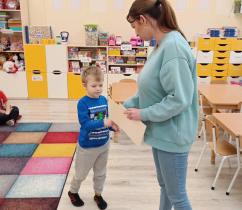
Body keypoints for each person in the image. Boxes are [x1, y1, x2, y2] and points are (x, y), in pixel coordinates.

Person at [124, 0, 198, 209]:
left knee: (178, 197)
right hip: (161, 132)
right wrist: (120, 111)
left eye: (134, 27)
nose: (135, 33)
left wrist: (144, 114)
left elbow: (180, 99)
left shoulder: (172, 47)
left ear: (143, 20)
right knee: (165, 186)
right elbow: (149, 92)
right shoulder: (160, 45)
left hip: (173, 134)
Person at [68, 67, 120, 210]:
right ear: (84, 86)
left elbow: (104, 120)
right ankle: (73, 192)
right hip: (87, 147)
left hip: (104, 144)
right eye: (94, 86)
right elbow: (86, 124)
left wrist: (112, 127)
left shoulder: (103, 100)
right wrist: (105, 122)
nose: (98, 89)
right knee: (80, 174)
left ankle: (98, 194)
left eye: (101, 85)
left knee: (101, 173)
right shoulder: (83, 103)